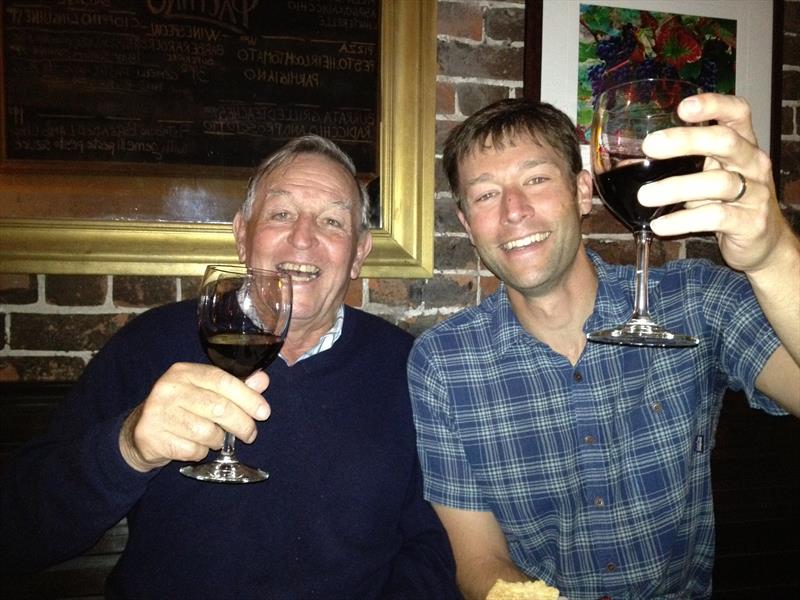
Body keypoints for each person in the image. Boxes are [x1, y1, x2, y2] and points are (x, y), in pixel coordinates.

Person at [1, 135, 459, 599]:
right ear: (242, 235)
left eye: (332, 221)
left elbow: (434, 547)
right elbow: (15, 535)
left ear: (359, 254)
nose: (303, 237)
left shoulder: (408, 368)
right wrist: (127, 449)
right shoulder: (150, 345)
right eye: (281, 214)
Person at [407, 95, 800, 599]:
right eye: (485, 195)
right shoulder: (442, 364)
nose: (514, 211)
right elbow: (480, 561)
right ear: (467, 226)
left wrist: (771, 257)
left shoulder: (695, 301)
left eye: (536, 179)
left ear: (583, 191)